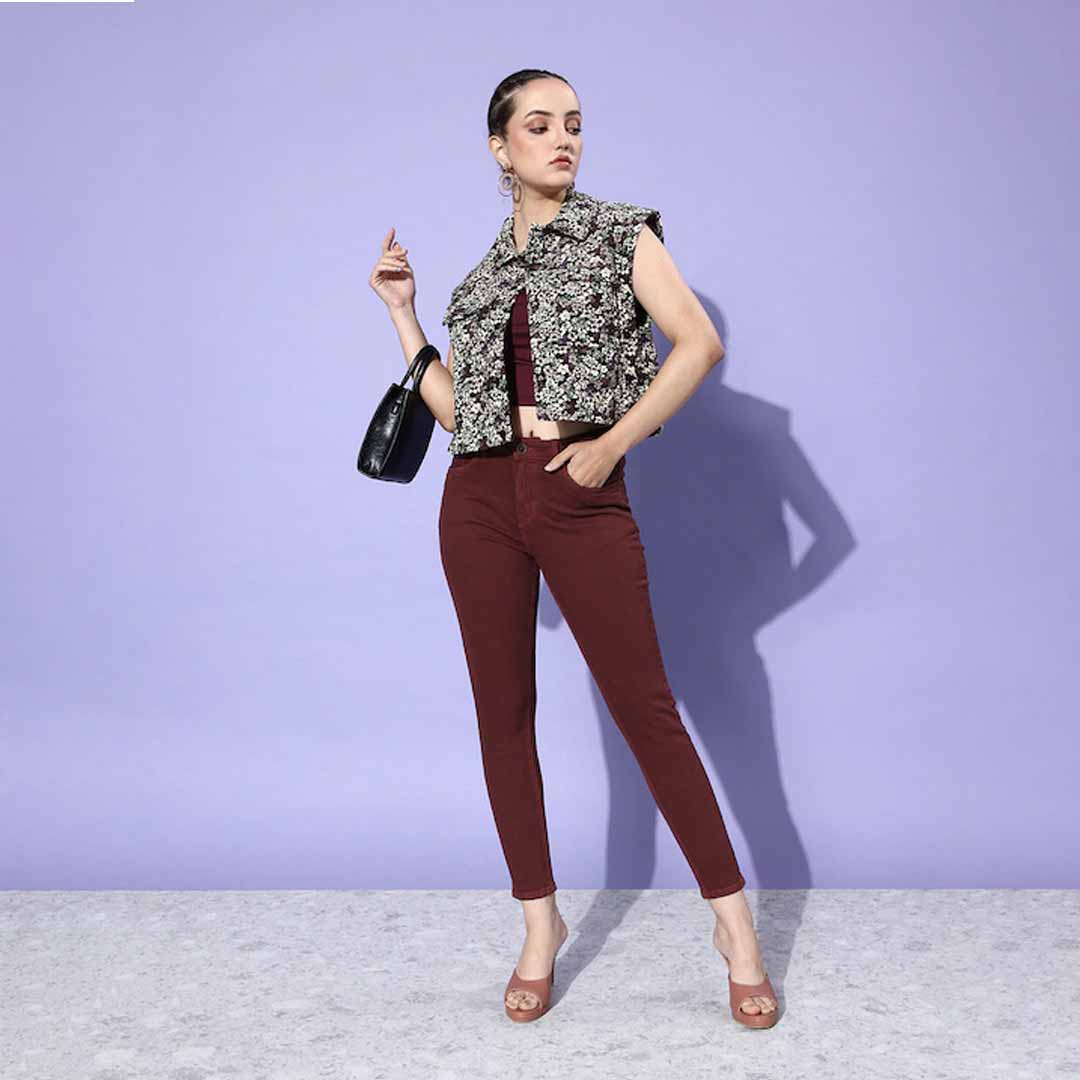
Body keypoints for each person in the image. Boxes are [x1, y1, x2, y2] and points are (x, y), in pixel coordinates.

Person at [368, 69, 779, 1029]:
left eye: (576, 125)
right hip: (478, 497)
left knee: (646, 709)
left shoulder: (621, 232)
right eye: (540, 126)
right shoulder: (481, 279)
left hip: (576, 487)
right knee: (502, 714)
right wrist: (403, 315)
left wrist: (612, 443)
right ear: (500, 148)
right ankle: (539, 924)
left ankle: (736, 931)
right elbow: (461, 413)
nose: (564, 140)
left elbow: (698, 344)